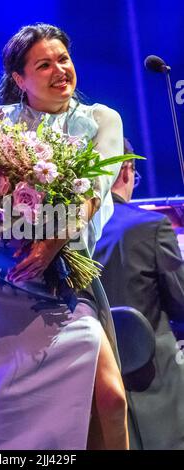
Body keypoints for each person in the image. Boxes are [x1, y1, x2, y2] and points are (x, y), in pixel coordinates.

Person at [0, 23, 129, 450]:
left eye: (63, 59)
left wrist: (51, 244)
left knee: (111, 397)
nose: (59, 70)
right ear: (19, 79)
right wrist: (18, 240)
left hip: (66, 274)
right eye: (43, 64)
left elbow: (96, 192)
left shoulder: (100, 119)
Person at [94, 143, 184, 449]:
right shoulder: (152, 225)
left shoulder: (68, 235)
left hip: (99, 380)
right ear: (126, 169)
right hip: (155, 379)